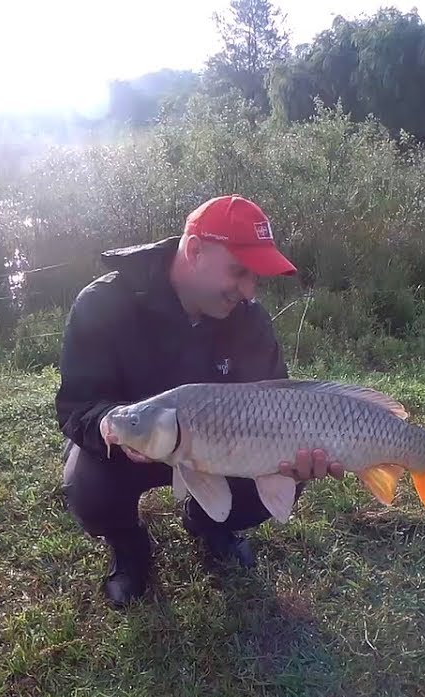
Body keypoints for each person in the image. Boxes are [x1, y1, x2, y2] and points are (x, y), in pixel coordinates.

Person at [54, 195, 345, 607]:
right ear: (194, 250)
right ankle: (129, 546)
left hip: (216, 452)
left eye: (255, 278)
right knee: (88, 491)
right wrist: (107, 426)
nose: (247, 291)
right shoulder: (104, 303)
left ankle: (210, 524)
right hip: (131, 442)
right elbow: (76, 405)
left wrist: (298, 459)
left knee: (281, 477)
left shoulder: (250, 320)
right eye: (239, 272)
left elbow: (280, 405)